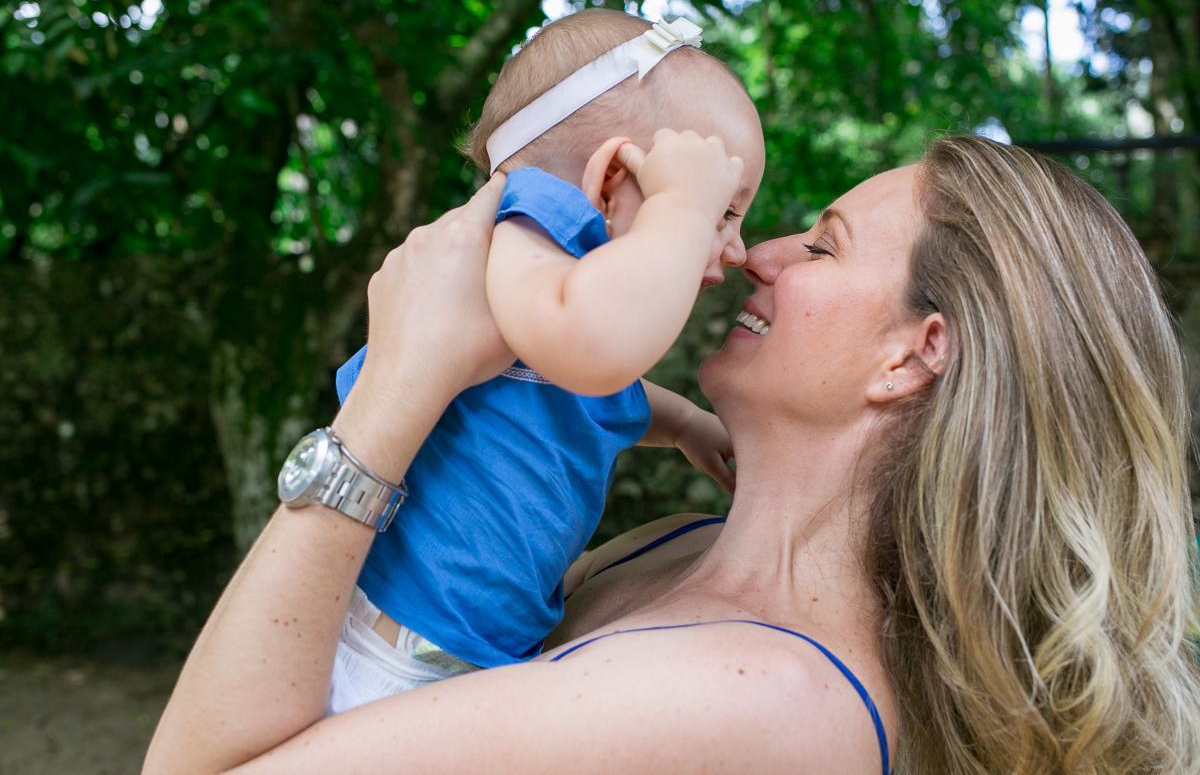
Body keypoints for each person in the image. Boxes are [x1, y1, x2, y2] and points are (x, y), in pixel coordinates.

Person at [145, 135, 1200, 775]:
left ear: (914, 355)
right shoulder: (675, 549)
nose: (763, 254)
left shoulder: (760, 695)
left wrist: (396, 392)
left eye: (822, 242)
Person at [322, 9, 764, 713]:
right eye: (723, 213)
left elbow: (597, 386)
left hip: (466, 659)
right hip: (391, 659)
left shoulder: (563, 302)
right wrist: (681, 209)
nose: (736, 251)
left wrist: (683, 424)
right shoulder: (521, 228)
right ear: (611, 180)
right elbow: (591, 353)